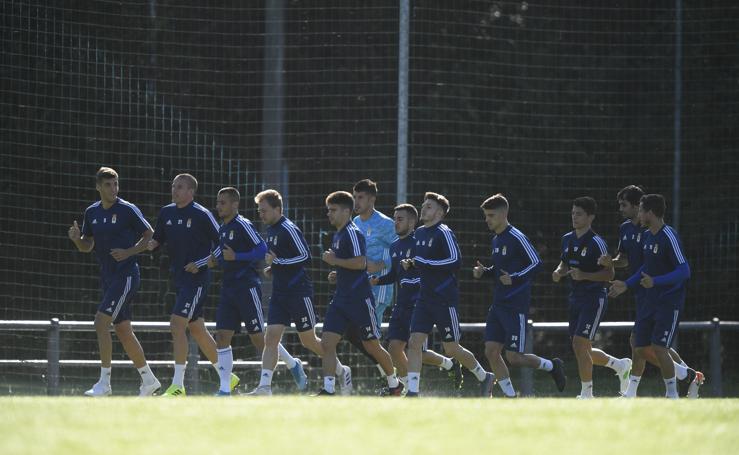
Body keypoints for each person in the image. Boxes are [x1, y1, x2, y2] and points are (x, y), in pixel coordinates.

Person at [599, 185, 703, 397]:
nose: (637, 214)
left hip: (667, 299)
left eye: (639, 210)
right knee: (641, 346)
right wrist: (626, 284)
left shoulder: (667, 235)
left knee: (657, 346)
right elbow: (643, 267)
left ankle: (674, 388)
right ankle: (683, 375)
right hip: (646, 296)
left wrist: (655, 281)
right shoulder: (644, 235)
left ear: (648, 212)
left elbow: (684, 270)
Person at [247, 189, 351, 396]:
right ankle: (264, 387)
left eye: (264, 210)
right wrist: (274, 268)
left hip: (298, 292)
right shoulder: (271, 230)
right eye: (259, 211)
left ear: (277, 209)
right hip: (279, 294)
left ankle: (341, 370)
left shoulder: (288, 228)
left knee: (309, 341)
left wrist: (277, 262)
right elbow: (284, 259)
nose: (261, 215)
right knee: (271, 338)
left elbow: (305, 256)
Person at [68, 166, 161, 397]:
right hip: (108, 278)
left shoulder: (128, 209)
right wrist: (76, 240)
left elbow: (150, 234)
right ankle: (149, 380)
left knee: (101, 322)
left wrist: (129, 251)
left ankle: (104, 384)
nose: (113, 189)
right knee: (122, 329)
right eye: (108, 185)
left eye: (116, 184)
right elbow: (87, 246)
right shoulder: (92, 212)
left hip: (127, 276)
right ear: (98, 187)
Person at [147, 173, 237, 396]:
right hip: (179, 279)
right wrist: (145, 245)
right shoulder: (166, 212)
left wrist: (201, 263)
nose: (175, 190)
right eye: (173, 186)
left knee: (177, 324)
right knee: (196, 329)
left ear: (191, 192)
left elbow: (222, 243)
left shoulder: (202, 214)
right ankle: (228, 376)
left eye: (180, 187)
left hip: (197, 281)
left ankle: (178, 385)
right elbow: (157, 240)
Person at [208, 187, 304, 396]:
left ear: (235, 205)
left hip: (246, 287)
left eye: (223, 203)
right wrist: (210, 260)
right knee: (222, 336)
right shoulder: (222, 228)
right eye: (217, 203)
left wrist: (237, 257)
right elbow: (221, 250)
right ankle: (224, 389)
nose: (218, 207)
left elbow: (260, 249)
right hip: (228, 288)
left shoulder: (243, 224)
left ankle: (291, 363)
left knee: (259, 339)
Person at [473, 194, 566, 398]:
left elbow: (536, 263)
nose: (487, 220)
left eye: (491, 215)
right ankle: (510, 397)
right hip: (498, 305)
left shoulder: (516, 237)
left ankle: (551, 366)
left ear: (504, 214)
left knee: (514, 356)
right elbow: (500, 270)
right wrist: (485, 272)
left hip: (515, 306)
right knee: (491, 351)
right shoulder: (496, 239)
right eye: (485, 216)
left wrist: (514, 278)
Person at [405, 192, 494, 397]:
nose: (423, 208)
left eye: (428, 206)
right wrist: (411, 265)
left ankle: (484, 376)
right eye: (423, 205)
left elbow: (455, 261)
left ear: (439, 212)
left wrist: (424, 263)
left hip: (444, 300)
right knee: (415, 342)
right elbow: (422, 263)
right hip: (424, 299)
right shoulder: (418, 233)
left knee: (452, 349)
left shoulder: (443, 232)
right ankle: (412, 392)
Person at [370, 203, 463, 392]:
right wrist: (377, 280)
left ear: (412, 222)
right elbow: (396, 274)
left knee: (419, 351)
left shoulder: (419, 241)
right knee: (394, 349)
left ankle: (449, 364)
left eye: (400, 219)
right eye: (394, 218)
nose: (395, 223)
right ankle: (406, 388)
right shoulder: (394, 246)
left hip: (420, 302)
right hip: (401, 304)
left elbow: (427, 270)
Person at [317, 191, 402, 396]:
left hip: (359, 300)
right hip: (341, 299)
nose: (329, 214)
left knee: (372, 345)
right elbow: (352, 266)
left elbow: (361, 262)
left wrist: (335, 261)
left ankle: (395, 384)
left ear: (346, 211)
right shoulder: (338, 234)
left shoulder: (353, 233)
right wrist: (338, 274)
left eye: (333, 210)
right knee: (327, 343)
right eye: (328, 210)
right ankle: (328, 389)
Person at [551, 197, 629, 398]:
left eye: (579, 214)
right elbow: (564, 263)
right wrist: (559, 271)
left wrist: (585, 275)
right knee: (582, 348)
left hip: (594, 298)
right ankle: (619, 365)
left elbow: (610, 274)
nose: (574, 217)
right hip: (575, 297)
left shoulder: (597, 243)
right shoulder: (567, 239)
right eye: (573, 213)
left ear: (590, 217)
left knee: (579, 344)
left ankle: (587, 394)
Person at [352, 179, 396, 326]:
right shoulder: (355, 222)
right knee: (363, 334)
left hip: (380, 288)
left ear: (372, 199)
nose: (356, 202)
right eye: (354, 197)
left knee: (367, 332)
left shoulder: (386, 224)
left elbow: (406, 251)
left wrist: (382, 264)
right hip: (361, 286)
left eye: (360, 197)